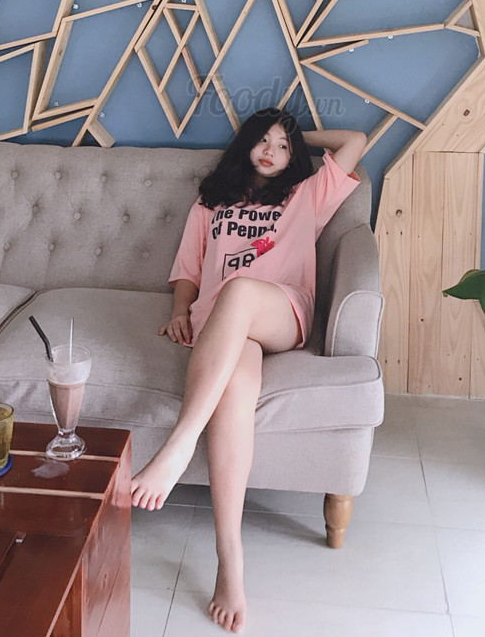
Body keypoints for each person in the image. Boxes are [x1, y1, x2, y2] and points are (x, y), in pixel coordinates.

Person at [130, 107, 367, 633]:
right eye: (263, 140)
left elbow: (356, 139)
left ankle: (178, 446)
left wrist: (300, 136)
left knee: (238, 291)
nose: (271, 151)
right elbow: (189, 269)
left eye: (282, 146)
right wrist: (179, 313)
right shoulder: (211, 201)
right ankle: (229, 560)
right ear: (246, 144)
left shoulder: (307, 194)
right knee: (235, 390)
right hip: (220, 324)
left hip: (280, 310)